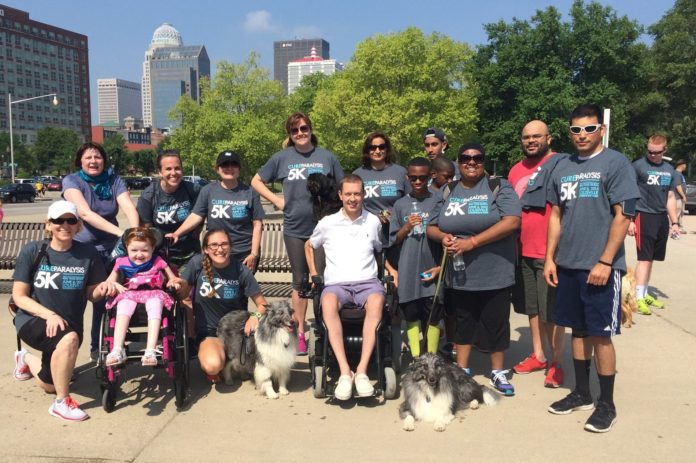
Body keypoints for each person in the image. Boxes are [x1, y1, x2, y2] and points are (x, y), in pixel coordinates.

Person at [544, 104, 640, 433]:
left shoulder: (615, 163)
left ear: (601, 129)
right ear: (569, 132)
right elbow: (556, 216)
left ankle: (606, 404)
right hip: (567, 265)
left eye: (588, 129)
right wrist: (549, 258)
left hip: (600, 267)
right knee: (577, 331)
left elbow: (623, 215)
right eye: (576, 129)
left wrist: (605, 260)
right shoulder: (561, 166)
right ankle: (582, 393)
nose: (582, 135)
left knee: (600, 336)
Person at [427, 142, 521, 396]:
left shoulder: (497, 186)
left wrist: (473, 242)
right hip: (459, 274)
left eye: (477, 158)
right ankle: (462, 370)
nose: (471, 162)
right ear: (458, 162)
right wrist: (443, 237)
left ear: (483, 161)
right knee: (463, 323)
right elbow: (431, 226)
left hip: (495, 272)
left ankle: (498, 372)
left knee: (496, 323)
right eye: (466, 158)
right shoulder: (447, 190)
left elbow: (512, 221)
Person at [11, 200, 117, 421]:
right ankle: (62, 403)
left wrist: (104, 288)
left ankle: (25, 359)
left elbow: (91, 294)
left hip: (69, 324)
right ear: (48, 225)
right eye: (58, 220)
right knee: (68, 341)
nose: (64, 225)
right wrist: (49, 315)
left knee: (48, 384)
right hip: (33, 318)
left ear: (78, 226)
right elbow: (19, 297)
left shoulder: (87, 253)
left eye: (71, 220)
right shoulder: (34, 250)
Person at [251, 112, 344, 355]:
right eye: (295, 131)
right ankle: (300, 332)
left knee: (323, 278)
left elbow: (342, 188)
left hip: (323, 229)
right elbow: (256, 181)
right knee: (300, 280)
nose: (300, 133)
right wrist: (277, 200)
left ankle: (326, 330)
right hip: (294, 228)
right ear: (290, 135)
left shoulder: (327, 157)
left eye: (304, 129)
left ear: (310, 130)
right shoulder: (282, 157)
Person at [304, 174, 384, 400]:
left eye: (357, 194)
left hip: (367, 283)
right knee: (327, 301)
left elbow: (379, 250)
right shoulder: (327, 223)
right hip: (337, 284)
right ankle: (345, 372)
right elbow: (309, 245)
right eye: (348, 194)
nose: (352, 198)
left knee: (378, 300)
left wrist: (391, 271)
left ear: (363, 195)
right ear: (340, 195)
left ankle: (361, 371)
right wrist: (314, 274)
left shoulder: (373, 221)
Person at [62, 142, 139, 360]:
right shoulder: (72, 181)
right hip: (80, 251)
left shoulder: (113, 180)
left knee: (105, 300)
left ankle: (99, 348)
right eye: (88, 158)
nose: (94, 161)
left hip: (110, 250)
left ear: (104, 160)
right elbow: (84, 214)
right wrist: (121, 233)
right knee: (72, 304)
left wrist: (132, 235)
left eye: (97, 157)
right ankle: (66, 356)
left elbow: (129, 208)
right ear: (80, 161)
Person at [508, 120, 566, 388]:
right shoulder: (515, 171)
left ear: (549, 138)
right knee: (532, 308)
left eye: (537, 136)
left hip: (549, 251)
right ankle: (538, 355)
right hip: (522, 249)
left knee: (551, 311)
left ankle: (557, 363)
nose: (531, 141)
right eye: (526, 137)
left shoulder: (560, 165)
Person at [174, 229, 268, 383]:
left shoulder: (241, 270)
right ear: (205, 249)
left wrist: (254, 317)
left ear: (230, 247)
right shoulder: (197, 264)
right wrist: (179, 283)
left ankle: (231, 360)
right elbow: (183, 294)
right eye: (214, 245)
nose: (220, 249)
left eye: (224, 244)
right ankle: (215, 359)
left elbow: (262, 304)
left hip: (235, 333)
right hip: (210, 332)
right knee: (213, 366)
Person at [169, 150, 263, 271]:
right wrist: (177, 233)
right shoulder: (208, 191)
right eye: (224, 165)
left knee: (241, 289)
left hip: (243, 253)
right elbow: (196, 216)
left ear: (239, 169)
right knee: (216, 289)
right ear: (217, 169)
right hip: (216, 252)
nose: (229, 168)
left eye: (233, 164)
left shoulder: (250, 192)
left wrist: (254, 254)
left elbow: (258, 225)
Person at [389, 157, 443, 358]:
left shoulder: (438, 201)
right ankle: (415, 358)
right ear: (407, 177)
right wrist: (407, 227)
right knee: (411, 315)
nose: (418, 182)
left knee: (433, 316)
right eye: (413, 178)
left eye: (422, 178)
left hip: (432, 266)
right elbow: (394, 239)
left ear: (431, 176)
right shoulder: (400, 204)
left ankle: (432, 357)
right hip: (408, 268)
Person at [104, 227, 180, 366]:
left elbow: (173, 278)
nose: (139, 255)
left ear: (152, 248)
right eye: (134, 250)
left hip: (153, 293)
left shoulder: (158, 261)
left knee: (155, 303)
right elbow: (109, 281)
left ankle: (150, 350)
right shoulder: (121, 262)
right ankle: (117, 349)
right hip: (129, 293)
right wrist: (115, 285)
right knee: (123, 305)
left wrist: (172, 281)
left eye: (144, 250)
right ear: (127, 247)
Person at [627, 135, 680, 315]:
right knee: (644, 258)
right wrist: (631, 220)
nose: (652, 155)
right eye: (649, 151)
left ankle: (644, 291)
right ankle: (638, 297)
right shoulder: (638, 166)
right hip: (643, 215)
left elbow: (671, 197)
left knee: (652, 259)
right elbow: (630, 194)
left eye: (657, 152)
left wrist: (674, 222)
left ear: (664, 151)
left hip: (660, 218)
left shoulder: (669, 170)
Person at [137, 150, 202, 271]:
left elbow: (200, 215)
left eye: (177, 168)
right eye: (168, 169)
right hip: (162, 256)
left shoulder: (193, 190)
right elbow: (147, 231)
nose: (173, 173)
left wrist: (196, 233)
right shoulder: (148, 196)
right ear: (160, 172)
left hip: (191, 253)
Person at [353, 132, 409, 241]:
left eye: (381, 147)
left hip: (397, 231)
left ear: (387, 149)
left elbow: (410, 201)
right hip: (368, 232)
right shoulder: (357, 175)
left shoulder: (401, 172)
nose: (377, 151)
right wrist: (374, 217)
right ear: (367, 150)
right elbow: (353, 202)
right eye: (373, 147)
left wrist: (395, 215)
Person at [674, 159, 687, 232]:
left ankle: (679, 228)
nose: (686, 166)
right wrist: (683, 196)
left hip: (680, 197)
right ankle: (673, 228)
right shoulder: (677, 173)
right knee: (676, 213)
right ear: (682, 165)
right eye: (685, 165)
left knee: (680, 213)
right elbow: (678, 186)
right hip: (677, 197)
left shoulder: (680, 174)